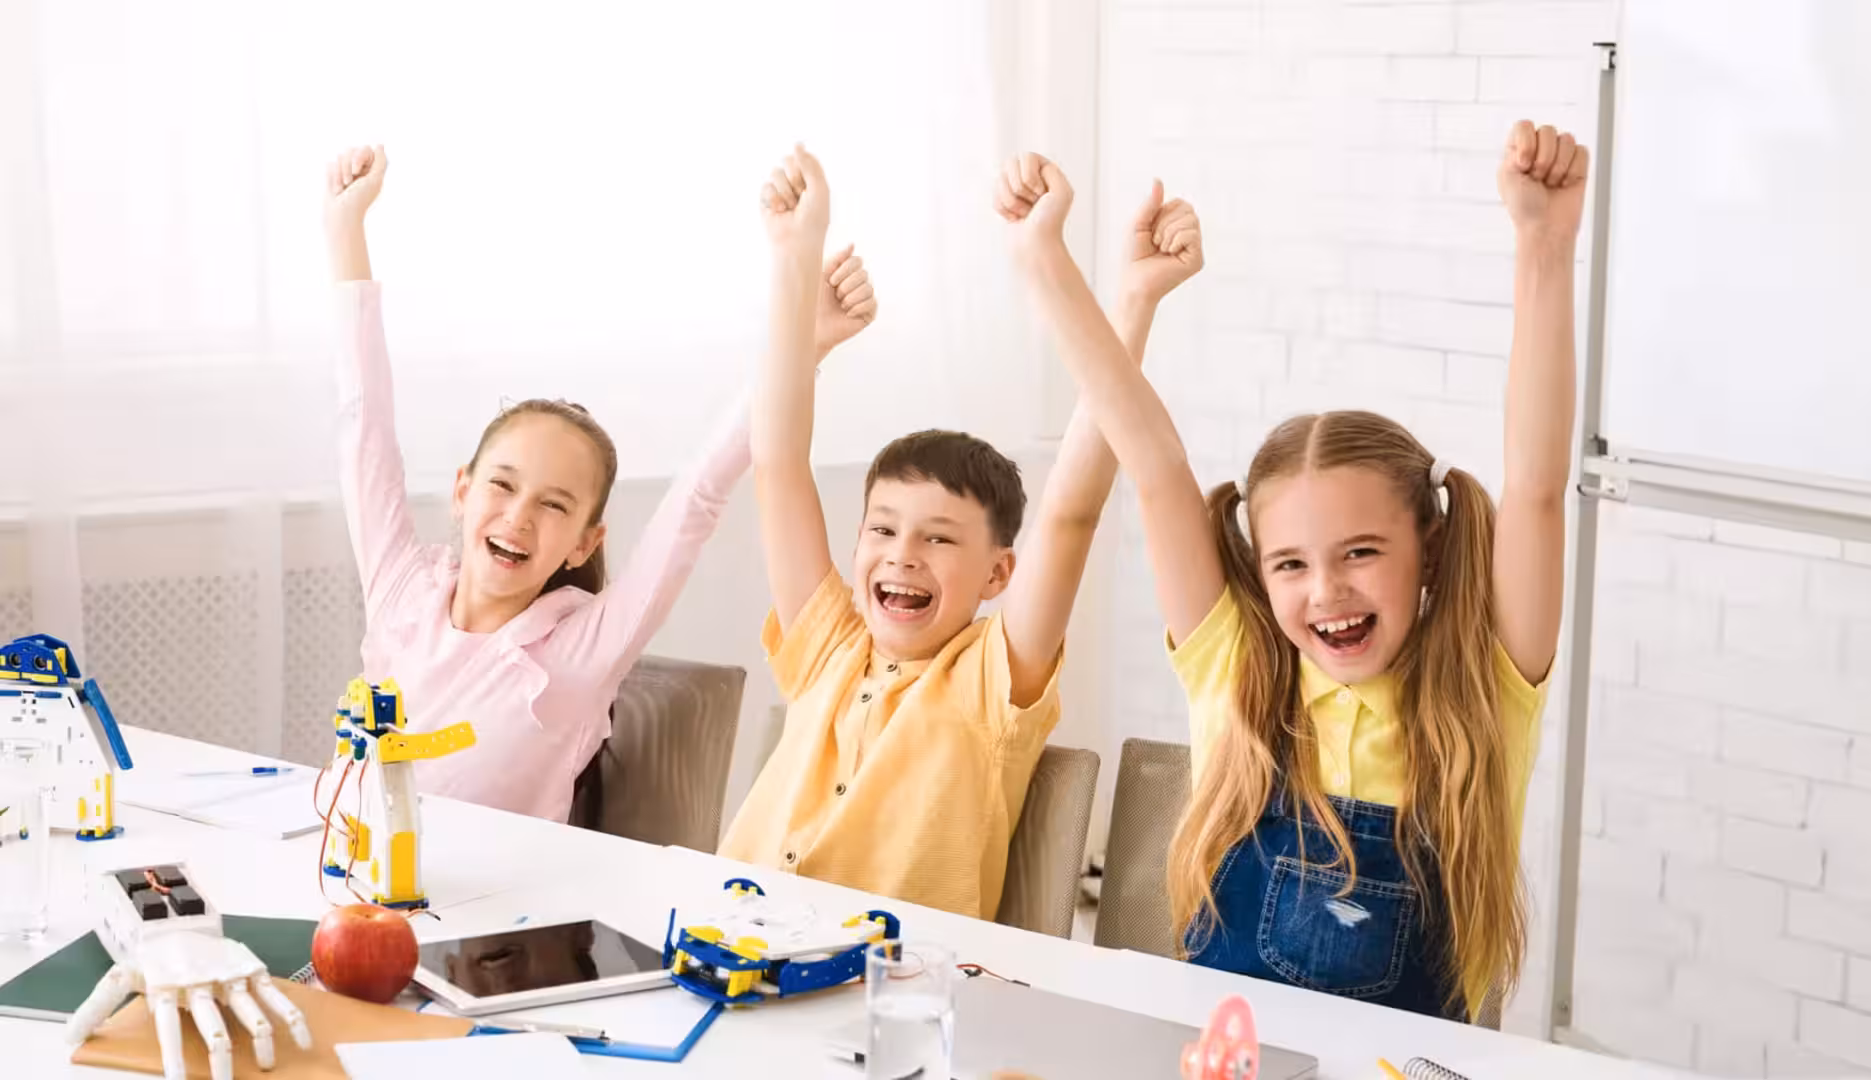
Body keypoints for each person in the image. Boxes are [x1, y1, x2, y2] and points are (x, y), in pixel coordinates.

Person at [1008, 122, 1586, 1021]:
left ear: (1430, 547)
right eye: (1290, 563)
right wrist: (1045, 260)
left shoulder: (1485, 690)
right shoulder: (1236, 670)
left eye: (1361, 552)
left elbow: (1539, 488)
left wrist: (1543, 247)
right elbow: (1151, 462)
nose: (1327, 591)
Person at [321, 144, 877, 821]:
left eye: (554, 505)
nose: (519, 517)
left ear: (585, 543)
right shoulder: (402, 595)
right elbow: (364, 429)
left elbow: (700, 493)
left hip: (501, 893)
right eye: (503, 486)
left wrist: (803, 343)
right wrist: (346, 230)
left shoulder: (578, 654)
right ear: (463, 492)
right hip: (350, 872)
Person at [717, 146, 1204, 919]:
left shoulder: (991, 679)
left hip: (884, 974)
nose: (903, 555)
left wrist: (1135, 303)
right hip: (727, 936)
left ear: (998, 574)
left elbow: (1071, 513)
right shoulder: (828, 649)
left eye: (939, 539)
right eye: (883, 530)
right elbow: (776, 463)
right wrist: (794, 257)